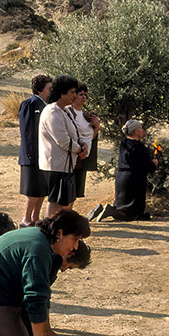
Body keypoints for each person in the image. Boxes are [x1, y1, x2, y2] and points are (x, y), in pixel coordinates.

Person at [91, 120, 157, 222]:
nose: (142, 130)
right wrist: (154, 163)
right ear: (135, 131)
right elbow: (146, 166)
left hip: (121, 178)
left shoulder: (124, 143)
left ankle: (102, 210)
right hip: (134, 180)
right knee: (130, 214)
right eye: (140, 128)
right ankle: (110, 211)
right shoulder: (138, 146)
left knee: (122, 207)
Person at [39, 75, 84, 216]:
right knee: (55, 201)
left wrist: (83, 145)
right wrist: (79, 150)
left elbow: (76, 132)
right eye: (72, 92)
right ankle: (51, 231)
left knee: (65, 201)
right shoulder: (52, 112)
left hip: (66, 165)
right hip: (56, 165)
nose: (75, 96)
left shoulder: (65, 111)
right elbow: (63, 140)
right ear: (61, 93)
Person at [17, 74, 51, 225]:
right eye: (49, 88)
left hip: (44, 157)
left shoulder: (46, 106)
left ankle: (35, 219)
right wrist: (31, 154)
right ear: (40, 89)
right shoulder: (30, 104)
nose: (51, 91)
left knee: (42, 191)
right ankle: (26, 219)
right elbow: (28, 132)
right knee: (33, 193)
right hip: (32, 156)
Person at [70, 84, 100, 201]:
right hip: (73, 156)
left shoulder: (85, 115)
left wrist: (96, 127)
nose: (84, 97)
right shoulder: (69, 112)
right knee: (68, 193)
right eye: (80, 94)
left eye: (85, 95)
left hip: (83, 159)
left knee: (75, 194)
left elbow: (89, 138)